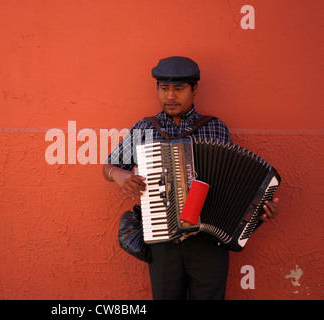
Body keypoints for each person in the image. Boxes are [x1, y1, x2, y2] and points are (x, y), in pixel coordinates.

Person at [102, 56, 279, 300]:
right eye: (164, 89)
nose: (170, 96)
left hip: (208, 241)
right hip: (162, 240)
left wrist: (259, 207)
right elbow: (109, 165)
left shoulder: (216, 128)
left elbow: (232, 180)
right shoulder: (144, 128)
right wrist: (118, 174)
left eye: (179, 89)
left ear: (194, 89)